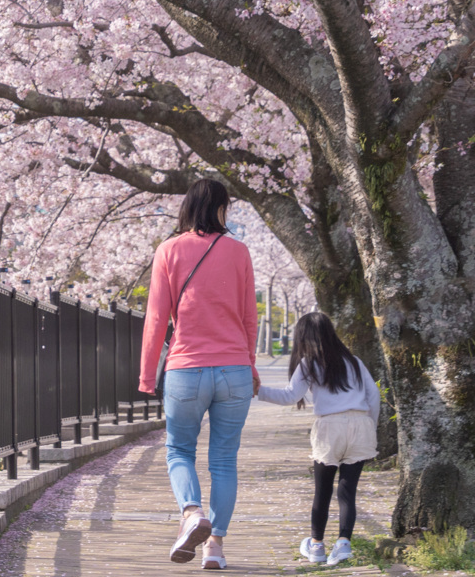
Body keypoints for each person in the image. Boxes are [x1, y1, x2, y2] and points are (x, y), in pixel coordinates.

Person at [139, 179, 259, 570]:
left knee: (179, 450)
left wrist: (146, 376)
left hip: (186, 369)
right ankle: (216, 548)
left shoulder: (169, 250)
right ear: (222, 208)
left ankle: (192, 513)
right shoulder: (239, 252)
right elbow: (248, 318)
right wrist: (251, 365)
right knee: (224, 460)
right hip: (234, 369)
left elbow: (157, 318)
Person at [256, 312, 380, 566]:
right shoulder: (354, 361)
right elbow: (374, 395)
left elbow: (290, 396)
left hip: (329, 427)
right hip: (361, 424)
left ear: (303, 337)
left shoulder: (308, 364)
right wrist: (371, 427)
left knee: (322, 491)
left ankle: (316, 546)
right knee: (348, 491)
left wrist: (258, 390)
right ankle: (344, 544)